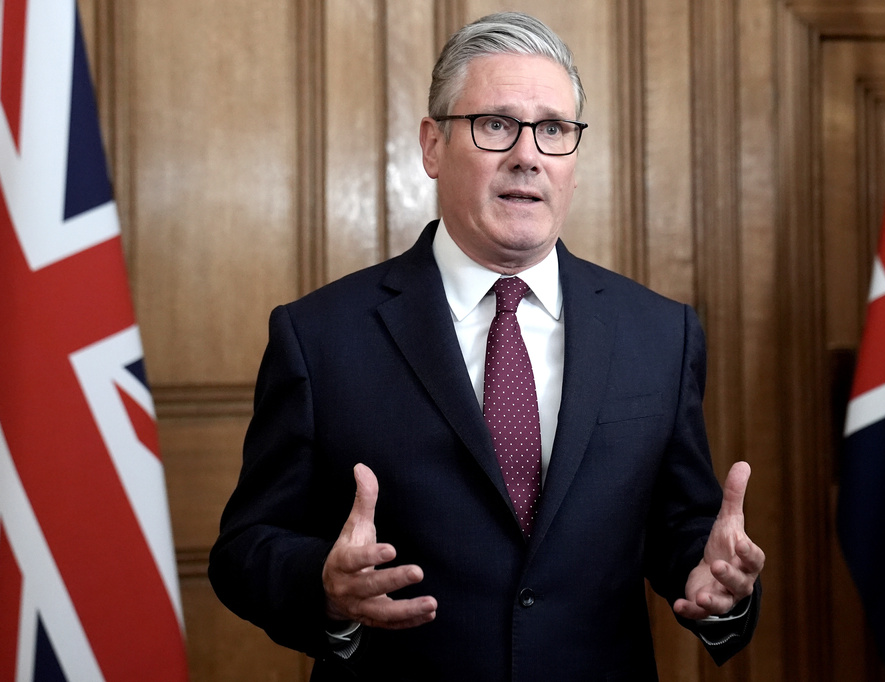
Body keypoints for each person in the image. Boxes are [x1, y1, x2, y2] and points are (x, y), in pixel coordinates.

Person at [209, 11, 764, 681]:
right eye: (496, 124)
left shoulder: (660, 333)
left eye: (553, 129)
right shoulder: (320, 336)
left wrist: (715, 582)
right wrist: (325, 586)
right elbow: (245, 549)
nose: (528, 155)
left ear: (573, 160)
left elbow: (685, 530)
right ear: (433, 146)